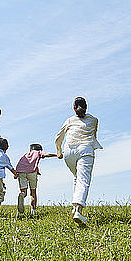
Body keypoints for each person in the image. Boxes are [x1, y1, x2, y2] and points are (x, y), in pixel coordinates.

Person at [55, 97, 102, 226]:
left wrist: (59, 152)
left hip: (69, 152)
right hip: (85, 149)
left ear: (74, 108)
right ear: (86, 107)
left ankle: (74, 208)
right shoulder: (94, 120)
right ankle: (78, 211)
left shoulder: (69, 120)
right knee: (83, 180)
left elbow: (58, 137)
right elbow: (94, 136)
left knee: (77, 177)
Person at [15, 143, 57, 215]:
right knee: (33, 193)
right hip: (32, 173)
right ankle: (33, 211)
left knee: (24, 192)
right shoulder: (38, 152)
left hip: (21, 172)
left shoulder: (26, 155)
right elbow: (46, 154)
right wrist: (57, 155)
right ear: (39, 149)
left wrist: (16, 174)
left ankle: (22, 195)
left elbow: (19, 164)